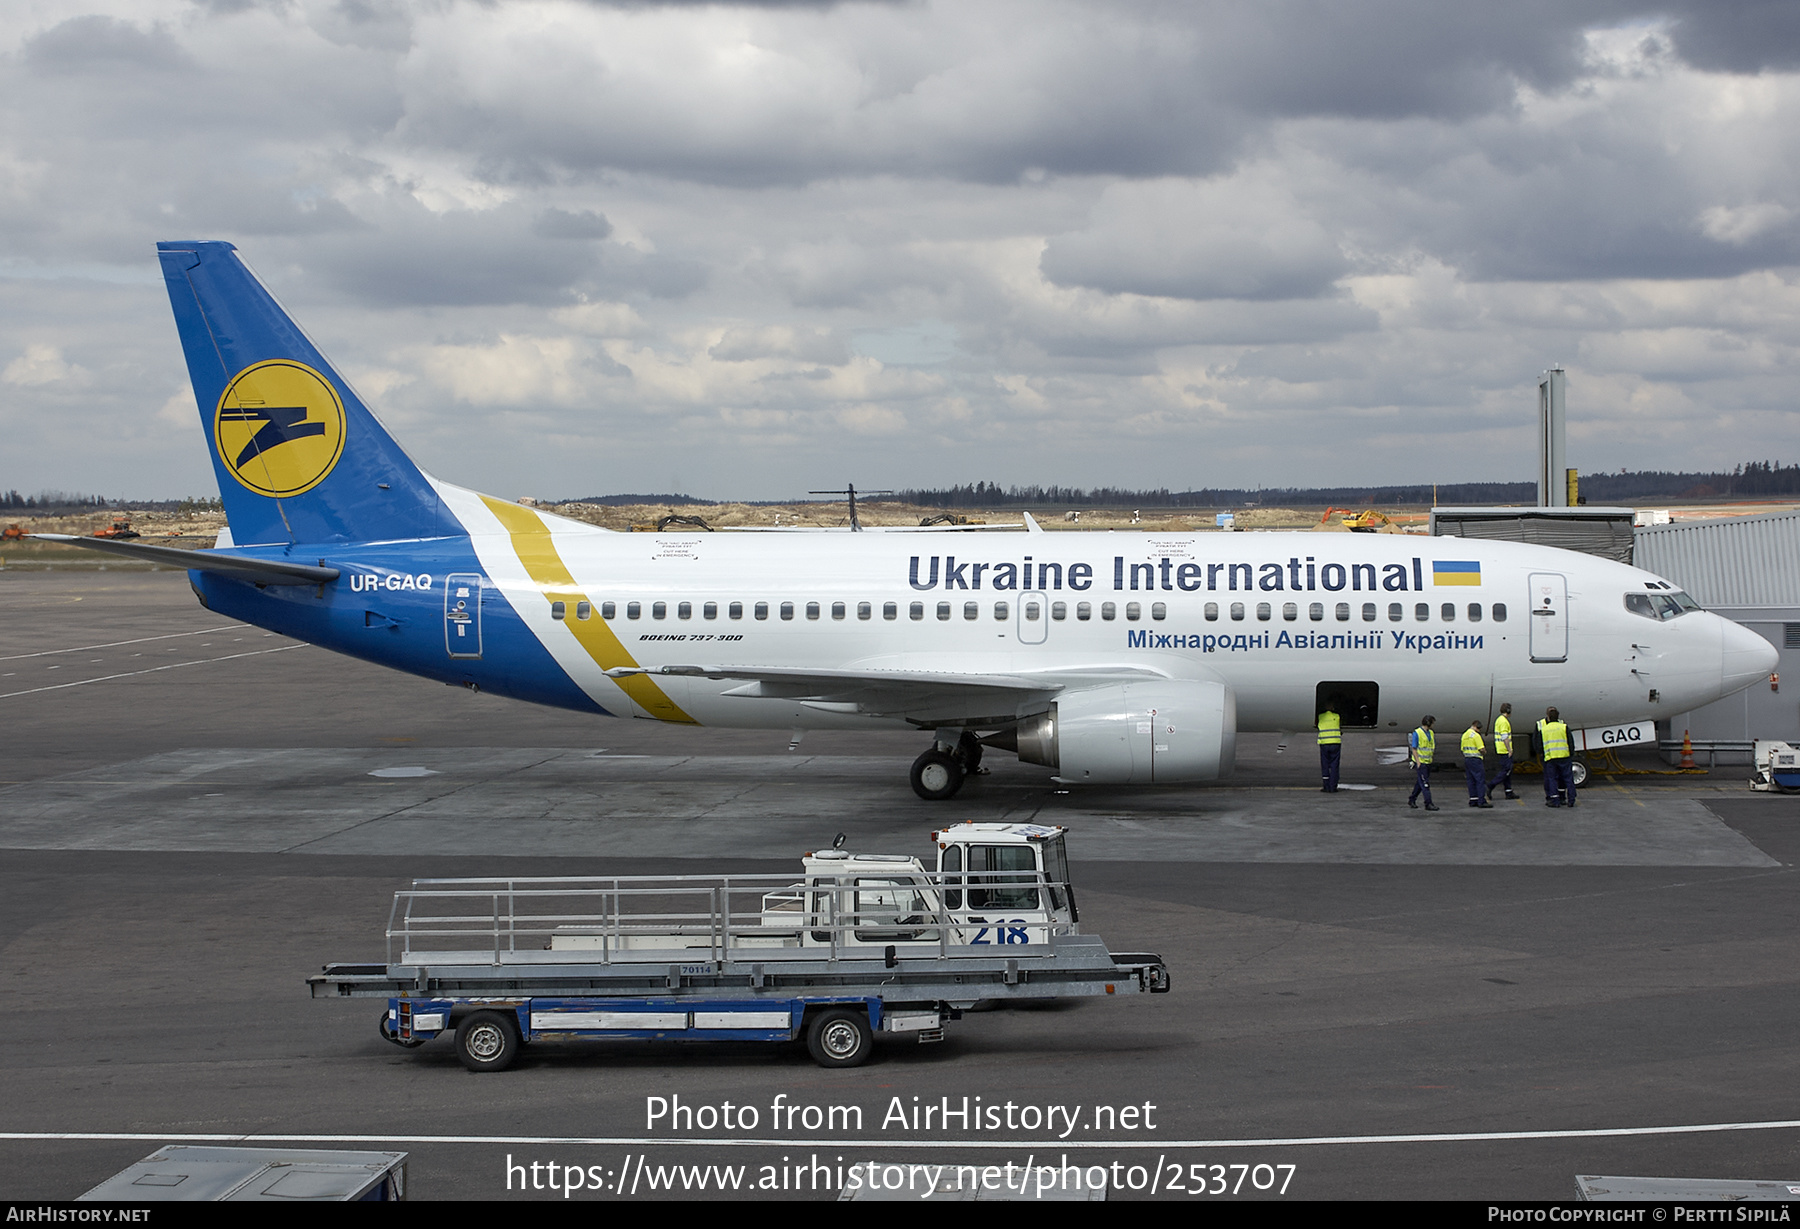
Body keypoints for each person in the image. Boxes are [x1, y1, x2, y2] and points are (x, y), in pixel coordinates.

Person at [1538, 706, 1576, 808]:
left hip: (1551, 758)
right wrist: (1571, 753)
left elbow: (1540, 744)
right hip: (1564, 756)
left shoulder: (1544, 729)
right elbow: (1570, 742)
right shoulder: (1563, 727)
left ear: (1548, 717)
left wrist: (1542, 754)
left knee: (1552, 779)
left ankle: (1555, 801)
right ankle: (1571, 800)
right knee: (1568, 778)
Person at [1408, 716, 1439, 811]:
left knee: (1420, 783)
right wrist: (1418, 762)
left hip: (1428, 761)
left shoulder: (1431, 733)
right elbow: (1414, 748)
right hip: (1421, 763)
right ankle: (1428, 803)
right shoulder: (1417, 733)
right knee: (1425, 784)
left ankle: (1412, 799)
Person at [1487, 703, 1517, 800]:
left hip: (1500, 749)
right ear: (1508, 711)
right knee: (1506, 770)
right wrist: (1509, 750)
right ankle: (1491, 785)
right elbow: (1505, 737)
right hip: (1504, 750)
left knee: (1508, 772)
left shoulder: (1499, 720)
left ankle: (1508, 791)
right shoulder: (1504, 722)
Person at [1462, 719, 1492, 808]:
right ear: (1477, 727)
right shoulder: (1476, 736)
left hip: (1467, 759)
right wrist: (1484, 752)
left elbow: (1462, 748)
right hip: (1476, 760)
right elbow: (1481, 749)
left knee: (1470, 780)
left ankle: (1473, 799)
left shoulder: (1465, 735)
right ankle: (1481, 801)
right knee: (1480, 780)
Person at [1317, 700, 1342, 793]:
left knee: (1325, 765)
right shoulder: (1337, 716)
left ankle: (1326, 786)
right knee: (1334, 765)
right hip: (1335, 743)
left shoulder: (1320, 716)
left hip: (1324, 743)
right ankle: (1333, 786)